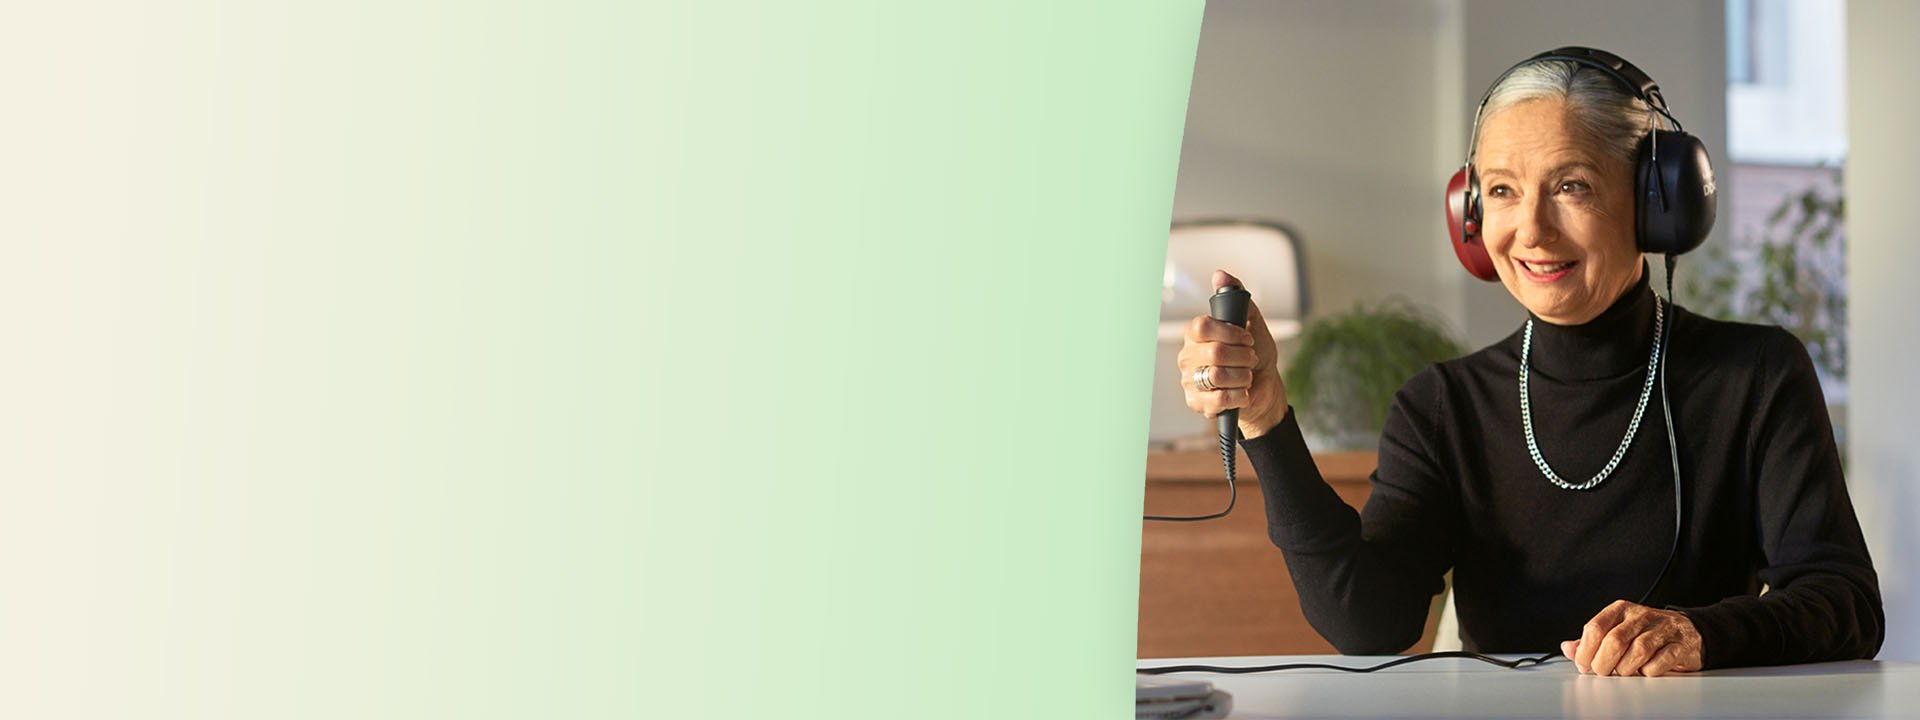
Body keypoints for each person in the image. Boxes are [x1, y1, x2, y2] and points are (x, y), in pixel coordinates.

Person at [1176, 48, 1883, 677]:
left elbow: (1845, 602)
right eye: (1505, 191)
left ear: (1653, 204)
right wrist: (1267, 419)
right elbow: (1371, 626)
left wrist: (1701, 633)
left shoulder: (1756, 374)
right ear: (1472, 213)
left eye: (1571, 186)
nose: (1533, 231)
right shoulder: (1443, 405)